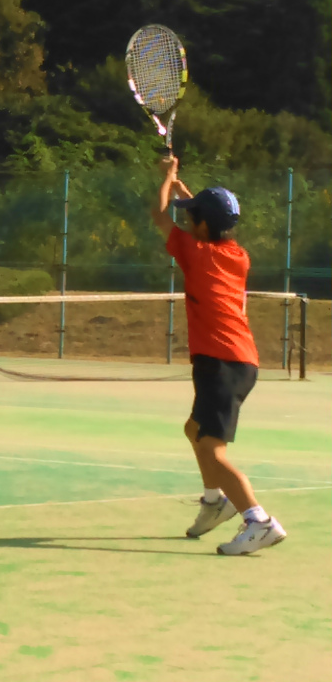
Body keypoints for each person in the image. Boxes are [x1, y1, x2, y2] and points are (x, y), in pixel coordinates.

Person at [150, 156, 286, 555]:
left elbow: (159, 216)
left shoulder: (195, 252)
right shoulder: (237, 255)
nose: (187, 220)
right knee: (194, 430)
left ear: (202, 226)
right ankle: (215, 502)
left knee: (211, 448)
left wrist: (167, 177)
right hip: (240, 361)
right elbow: (208, 222)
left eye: (192, 216)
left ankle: (258, 520)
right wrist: (186, 192)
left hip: (221, 362)